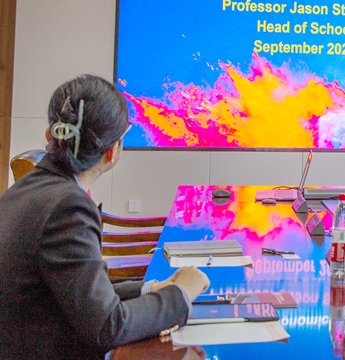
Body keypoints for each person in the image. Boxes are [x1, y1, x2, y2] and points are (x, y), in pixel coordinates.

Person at [0, 75, 210, 360]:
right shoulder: (68, 207)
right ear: (113, 152)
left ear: (50, 136)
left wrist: (152, 288)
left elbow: (81, 291)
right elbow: (109, 326)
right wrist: (181, 294)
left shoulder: (26, 190)